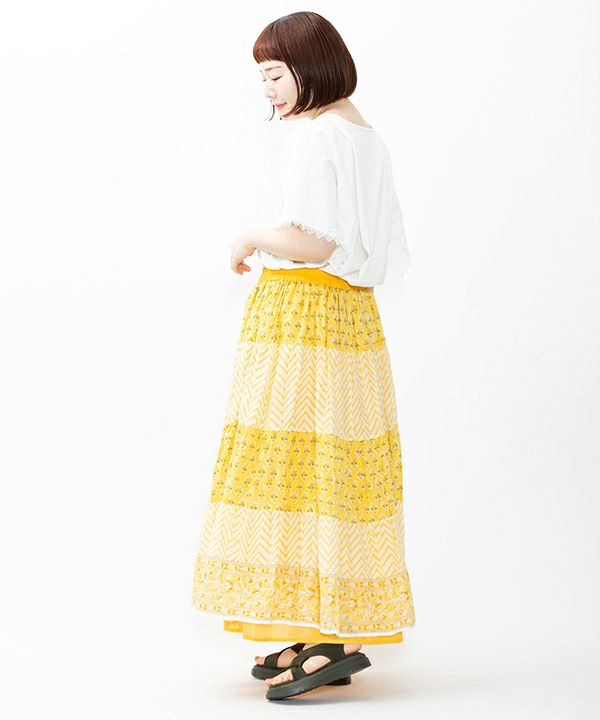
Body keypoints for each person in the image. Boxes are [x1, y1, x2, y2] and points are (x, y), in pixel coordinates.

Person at [191, 11, 416, 701]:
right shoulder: (362, 133)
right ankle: (326, 628)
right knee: (331, 471)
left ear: (310, 66)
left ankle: (328, 638)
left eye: (274, 74)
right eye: (262, 77)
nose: (267, 89)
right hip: (347, 318)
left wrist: (249, 236)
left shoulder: (319, 136)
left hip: (304, 315)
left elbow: (314, 242)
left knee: (295, 467)